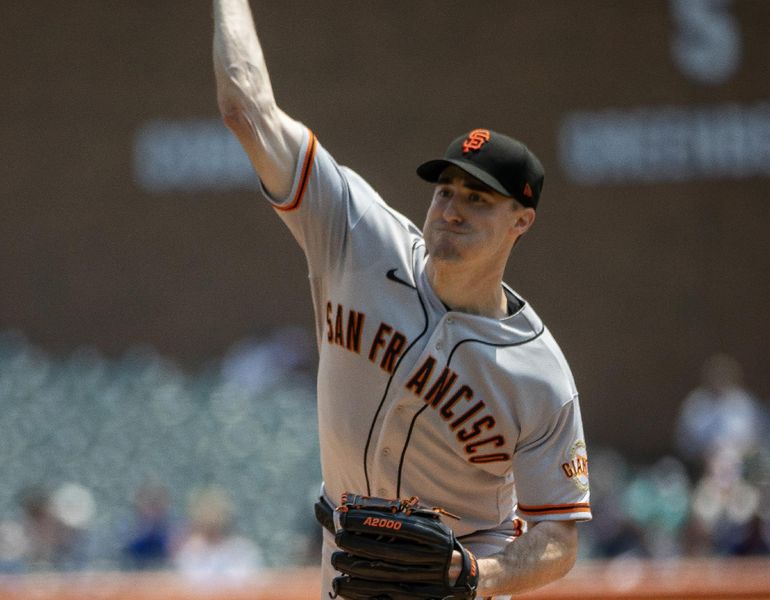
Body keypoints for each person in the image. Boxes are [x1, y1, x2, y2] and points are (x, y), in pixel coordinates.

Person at [212, 2, 591, 597]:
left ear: (522, 221)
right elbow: (245, 108)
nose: (452, 209)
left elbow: (559, 539)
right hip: (345, 572)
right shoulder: (357, 233)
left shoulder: (539, 375)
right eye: (446, 190)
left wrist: (477, 574)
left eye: (479, 199)